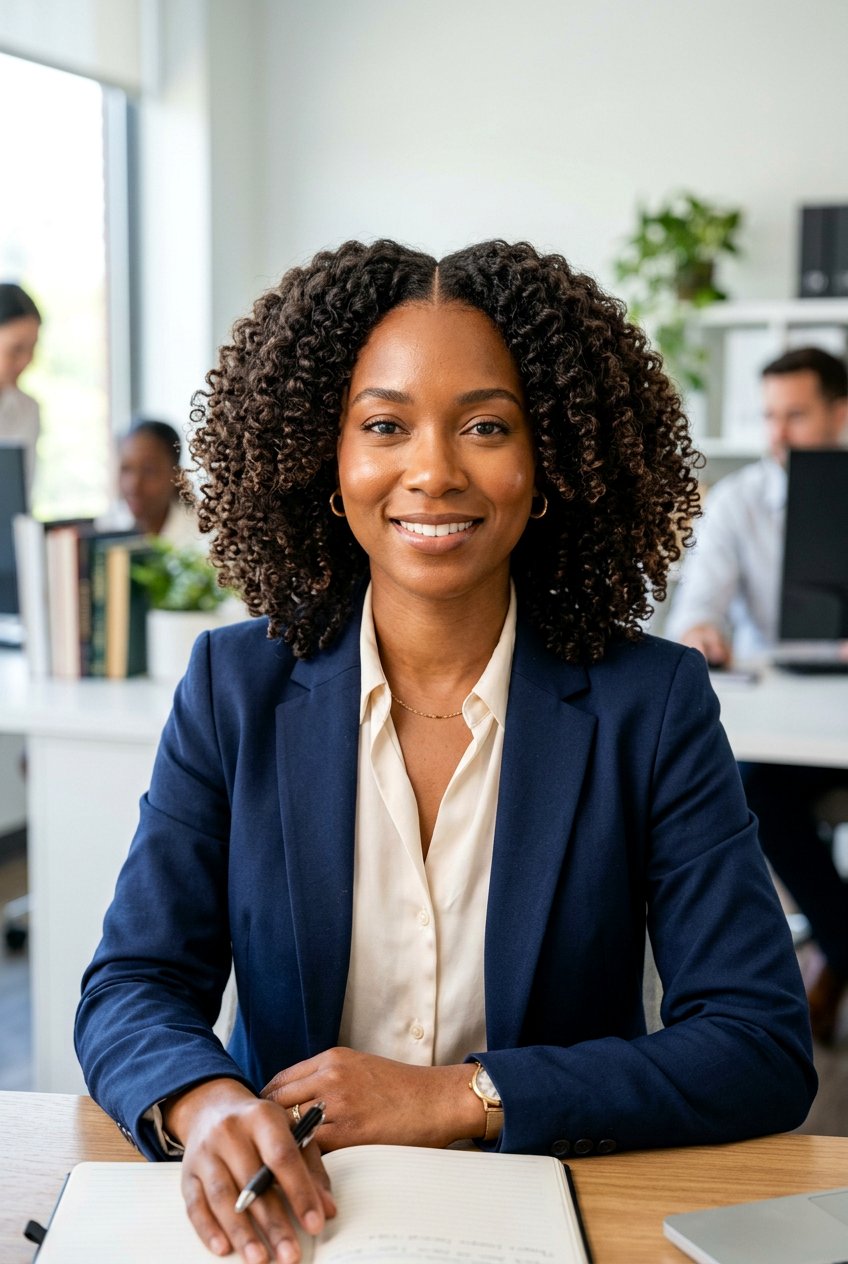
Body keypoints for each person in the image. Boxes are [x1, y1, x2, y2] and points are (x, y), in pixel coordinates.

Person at [76, 240, 816, 1264]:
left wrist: (460, 1096)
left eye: (484, 426)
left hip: (544, 1216)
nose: (431, 469)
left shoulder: (650, 702)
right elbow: (132, 984)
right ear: (324, 463)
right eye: (384, 425)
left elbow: (757, 1042)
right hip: (293, 1223)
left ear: (546, 463)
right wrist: (202, 1106)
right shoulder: (232, 689)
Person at [666, 345, 848, 1043]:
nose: (777, 434)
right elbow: (692, 616)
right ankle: (840, 946)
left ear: (839, 412)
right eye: (769, 415)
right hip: (789, 727)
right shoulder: (742, 502)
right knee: (751, 786)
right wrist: (704, 628)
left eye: (795, 415)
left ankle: (833, 950)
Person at [115, 417, 202, 548]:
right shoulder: (111, 525)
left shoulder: (202, 538)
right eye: (126, 469)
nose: (133, 485)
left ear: (177, 475)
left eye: (149, 470)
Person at [0, 282, 41, 501]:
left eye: (32, 347)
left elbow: (20, 497)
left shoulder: (27, 409)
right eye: (16, 349)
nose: (26, 360)